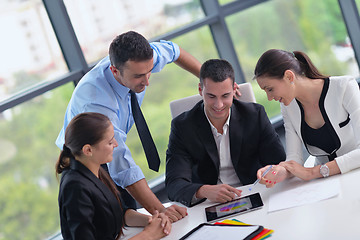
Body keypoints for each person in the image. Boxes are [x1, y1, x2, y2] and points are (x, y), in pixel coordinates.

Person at [55, 31, 201, 221]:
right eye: (139, 76)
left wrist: (207, 81)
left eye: (149, 71)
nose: (147, 81)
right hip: (87, 158)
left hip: (108, 148)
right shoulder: (97, 101)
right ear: (115, 71)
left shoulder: (144, 59)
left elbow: (174, 51)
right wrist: (161, 210)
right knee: (115, 221)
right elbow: (122, 165)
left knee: (132, 217)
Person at [165, 59, 286, 207]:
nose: (219, 105)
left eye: (225, 96)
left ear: (234, 89)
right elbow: (174, 184)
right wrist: (203, 190)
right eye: (211, 96)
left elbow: (279, 162)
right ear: (200, 90)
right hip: (209, 204)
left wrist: (270, 172)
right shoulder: (183, 127)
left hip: (254, 193)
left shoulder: (255, 115)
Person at [254, 49, 360, 187]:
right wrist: (281, 171)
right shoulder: (288, 107)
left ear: (289, 76)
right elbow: (294, 159)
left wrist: (313, 172)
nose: (269, 98)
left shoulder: (344, 87)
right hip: (325, 185)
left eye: (270, 89)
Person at [56, 112, 171, 240]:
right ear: (88, 150)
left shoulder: (95, 168)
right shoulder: (75, 187)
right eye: (110, 142)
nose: (116, 144)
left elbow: (121, 214)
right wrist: (148, 235)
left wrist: (152, 221)